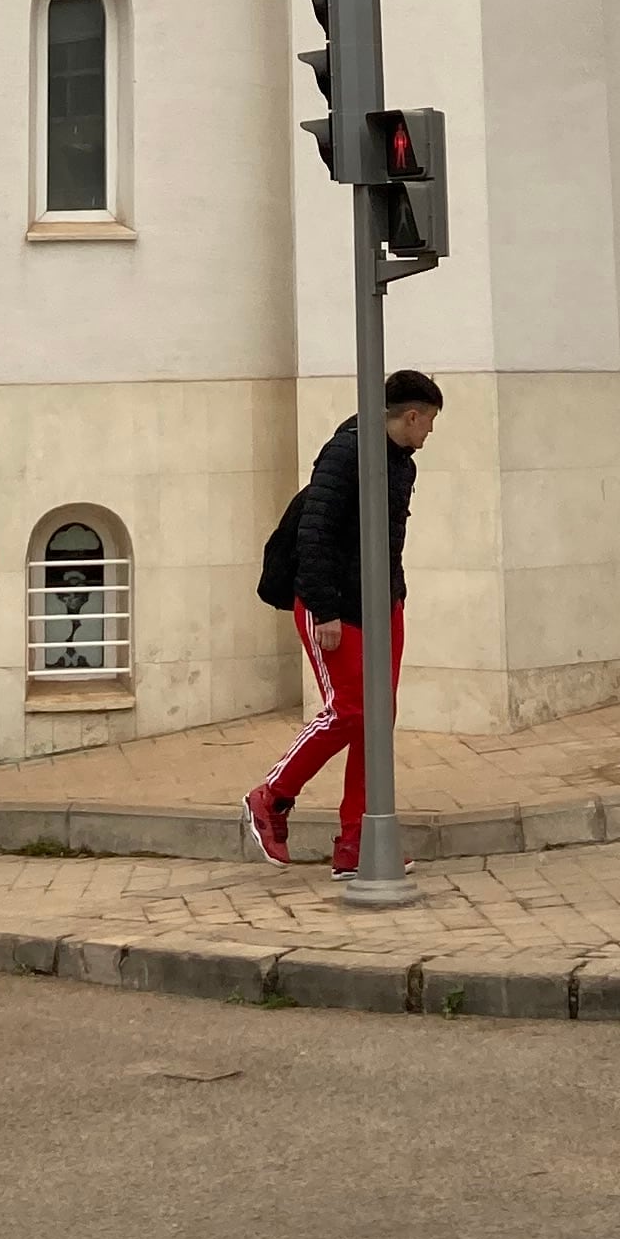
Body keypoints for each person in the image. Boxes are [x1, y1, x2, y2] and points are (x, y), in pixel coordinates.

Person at [245, 370, 444, 874]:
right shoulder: (346, 453)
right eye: (430, 423)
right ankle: (272, 796)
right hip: (332, 607)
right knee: (352, 710)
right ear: (412, 415)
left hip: (382, 604)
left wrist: (393, 598)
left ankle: (356, 840)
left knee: (378, 721)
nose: (430, 435)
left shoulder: (402, 463)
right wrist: (325, 611)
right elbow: (315, 533)